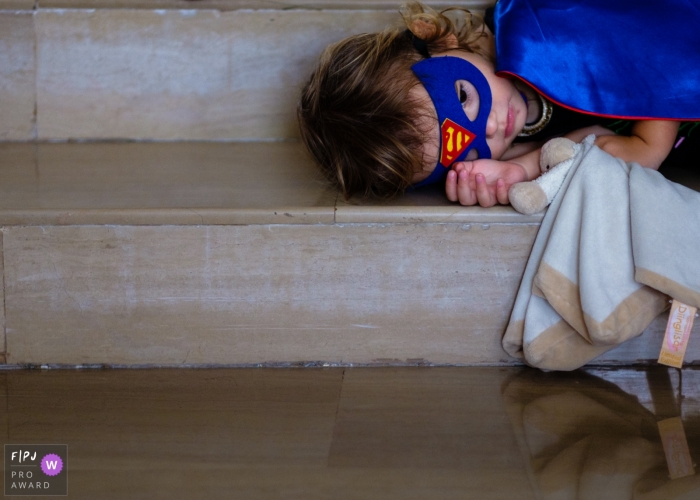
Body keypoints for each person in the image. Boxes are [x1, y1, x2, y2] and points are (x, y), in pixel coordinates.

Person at [297, 1, 699, 207]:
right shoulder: (509, 134)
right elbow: (593, 141)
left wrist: (650, 144)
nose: (490, 128)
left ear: (441, 44)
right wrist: (516, 169)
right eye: (468, 148)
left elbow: (647, 38)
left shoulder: (535, 27)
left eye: (463, 98)